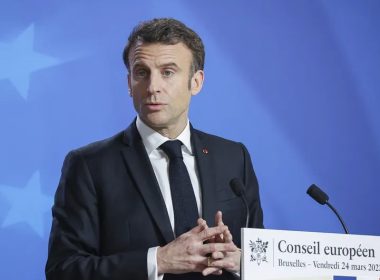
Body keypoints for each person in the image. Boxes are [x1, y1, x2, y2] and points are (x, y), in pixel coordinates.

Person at [45, 18, 264, 280]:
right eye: (141, 72)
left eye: (168, 72)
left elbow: (257, 257)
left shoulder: (233, 157)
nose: (152, 87)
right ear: (129, 83)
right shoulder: (89, 165)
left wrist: (241, 262)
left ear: (196, 82)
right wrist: (158, 261)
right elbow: (64, 270)